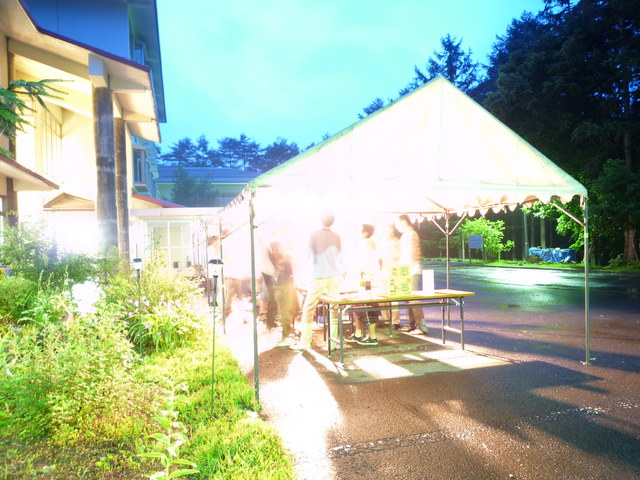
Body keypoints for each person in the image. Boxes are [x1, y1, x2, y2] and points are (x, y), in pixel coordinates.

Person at [290, 213, 342, 351]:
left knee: (308, 308)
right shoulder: (337, 236)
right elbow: (339, 256)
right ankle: (332, 343)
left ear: (321, 219)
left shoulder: (314, 235)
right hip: (334, 275)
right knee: (334, 308)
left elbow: (309, 255)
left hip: (319, 275)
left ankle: (305, 341)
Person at [346, 223, 380, 346]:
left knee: (367, 307)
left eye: (360, 230)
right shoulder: (368, 242)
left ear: (366, 232)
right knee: (358, 307)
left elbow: (364, 263)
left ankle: (373, 337)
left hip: (367, 279)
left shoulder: (368, 243)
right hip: (365, 278)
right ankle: (359, 333)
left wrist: (358, 270)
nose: (358, 233)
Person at [396, 214, 429, 335]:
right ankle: (412, 324)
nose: (396, 227)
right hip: (407, 270)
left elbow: (411, 254)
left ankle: (421, 326)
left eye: (397, 224)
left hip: (412, 270)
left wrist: (400, 266)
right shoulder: (406, 234)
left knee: (414, 299)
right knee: (409, 299)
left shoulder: (411, 234)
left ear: (403, 222)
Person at [379, 224, 401, 329]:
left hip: (394, 273)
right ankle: (386, 320)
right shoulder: (384, 244)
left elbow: (397, 258)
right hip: (384, 273)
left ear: (392, 232)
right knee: (383, 298)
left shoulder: (397, 243)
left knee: (393, 299)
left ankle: (395, 321)